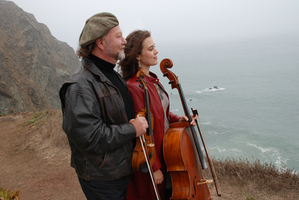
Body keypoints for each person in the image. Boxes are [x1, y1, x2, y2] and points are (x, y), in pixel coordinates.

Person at [59, 13, 148, 200]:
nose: (124, 41)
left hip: (118, 171)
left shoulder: (111, 75)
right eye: (118, 36)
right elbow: (90, 137)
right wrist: (132, 129)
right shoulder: (80, 85)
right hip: (102, 178)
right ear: (100, 43)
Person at [119, 30, 196, 200]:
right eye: (151, 48)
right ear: (138, 56)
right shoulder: (134, 86)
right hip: (152, 160)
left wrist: (178, 119)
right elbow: (142, 132)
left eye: (155, 47)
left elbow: (161, 114)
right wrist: (154, 167)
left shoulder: (152, 80)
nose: (157, 52)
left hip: (164, 154)